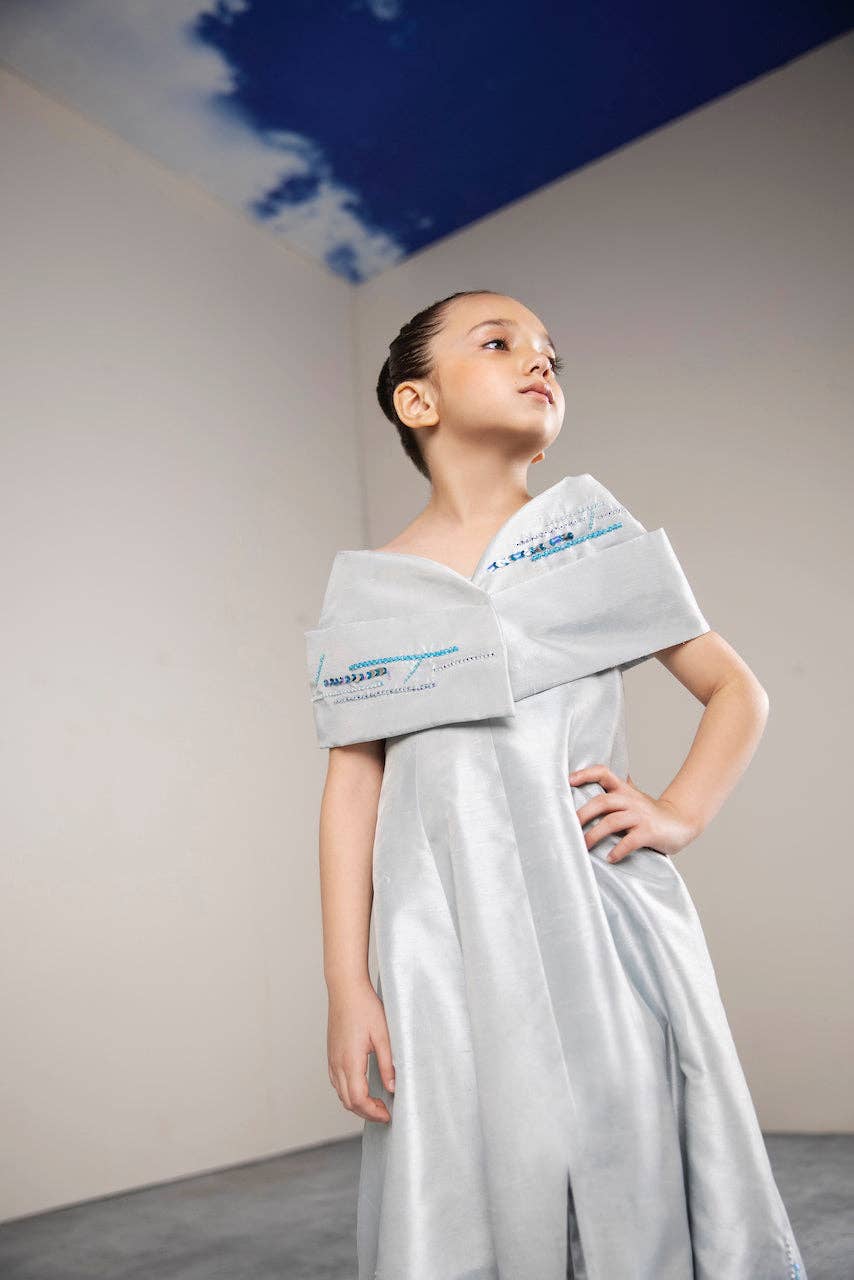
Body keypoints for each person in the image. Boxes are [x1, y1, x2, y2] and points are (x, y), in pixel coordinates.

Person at [303, 290, 807, 1280]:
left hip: (594, 904)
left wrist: (678, 810)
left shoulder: (591, 541)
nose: (538, 361)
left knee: (626, 1137)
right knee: (466, 1150)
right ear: (416, 401)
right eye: (499, 343)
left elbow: (735, 691)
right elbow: (351, 793)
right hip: (440, 931)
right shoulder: (368, 589)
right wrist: (346, 982)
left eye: (548, 353)